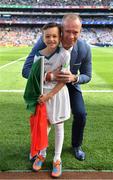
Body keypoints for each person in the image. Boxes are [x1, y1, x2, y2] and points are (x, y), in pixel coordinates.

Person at [22, 14, 92, 161]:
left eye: (75, 32)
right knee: (41, 118)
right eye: (67, 31)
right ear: (61, 30)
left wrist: (75, 78)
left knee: (80, 114)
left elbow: (87, 75)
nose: (71, 36)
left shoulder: (85, 48)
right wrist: (49, 76)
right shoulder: (46, 42)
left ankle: (76, 146)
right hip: (46, 85)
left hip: (71, 85)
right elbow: (26, 70)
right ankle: (38, 149)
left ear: (80, 31)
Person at [24, 23, 71, 178]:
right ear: (43, 37)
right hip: (42, 96)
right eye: (48, 36)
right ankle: (42, 153)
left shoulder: (64, 54)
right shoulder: (38, 55)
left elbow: (63, 80)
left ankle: (57, 158)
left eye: (54, 36)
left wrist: (49, 94)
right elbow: (35, 78)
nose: (51, 39)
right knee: (44, 125)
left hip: (57, 95)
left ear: (59, 37)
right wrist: (47, 78)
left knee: (58, 125)